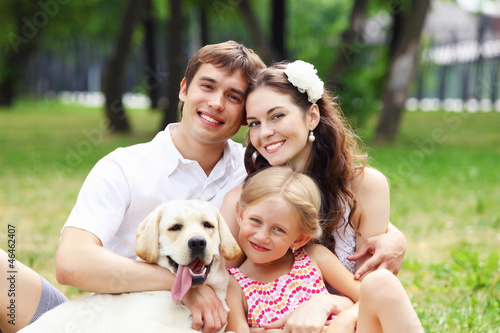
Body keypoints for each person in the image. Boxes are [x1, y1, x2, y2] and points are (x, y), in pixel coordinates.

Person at [0, 40, 266, 333]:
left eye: (233, 96)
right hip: (101, 320)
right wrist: (185, 284)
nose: (216, 103)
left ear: (245, 114)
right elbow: (72, 262)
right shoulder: (125, 167)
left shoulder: (253, 174)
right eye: (207, 86)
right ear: (184, 89)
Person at [220, 60, 407, 331]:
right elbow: (221, 284)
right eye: (254, 123)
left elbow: (371, 291)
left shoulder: (365, 186)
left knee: (382, 284)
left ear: (312, 116)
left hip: (351, 323)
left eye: (277, 116)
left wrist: (327, 306)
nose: (265, 132)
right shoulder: (245, 198)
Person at [225, 166, 423, 333]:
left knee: (382, 281)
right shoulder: (234, 286)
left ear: (300, 238)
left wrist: (339, 312)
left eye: (279, 229)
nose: (261, 236)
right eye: (255, 221)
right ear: (240, 215)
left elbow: (364, 297)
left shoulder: (314, 257)